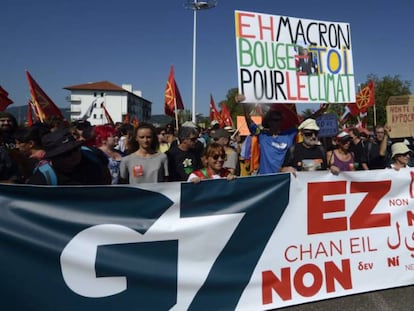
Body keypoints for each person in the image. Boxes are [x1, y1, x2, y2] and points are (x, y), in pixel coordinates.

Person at [27, 128, 112, 185]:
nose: (73, 156)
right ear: (53, 158)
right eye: (65, 155)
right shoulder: (42, 179)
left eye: (75, 150)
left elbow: (106, 176)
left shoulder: (93, 155)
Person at [241, 97, 297, 175]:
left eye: (280, 119)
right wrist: (244, 104)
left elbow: (304, 124)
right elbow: (249, 121)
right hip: (265, 178)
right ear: (269, 122)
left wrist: (319, 112)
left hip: (282, 177)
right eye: (275, 120)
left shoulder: (288, 135)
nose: (278, 122)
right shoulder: (263, 135)